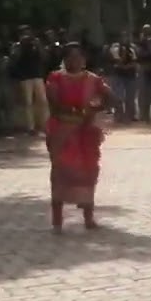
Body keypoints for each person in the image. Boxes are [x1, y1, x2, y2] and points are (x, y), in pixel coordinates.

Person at [46, 42, 114, 232]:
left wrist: (95, 108)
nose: (75, 61)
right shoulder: (55, 78)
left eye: (79, 57)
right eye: (70, 57)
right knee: (60, 173)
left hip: (86, 134)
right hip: (63, 133)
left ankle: (88, 218)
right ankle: (57, 221)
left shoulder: (94, 79)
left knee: (89, 172)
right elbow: (55, 104)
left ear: (84, 59)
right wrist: (78, 111)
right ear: (64, 59)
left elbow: (110, 97)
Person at [9, 28, 49, 135]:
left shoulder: (35, 44)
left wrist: (39, 45)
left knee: (42, 101)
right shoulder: (17, 46)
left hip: (37, 75)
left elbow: (44, 57)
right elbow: (13, 58)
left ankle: (45, 125)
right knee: (28, 102)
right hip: (24, 76)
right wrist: (20, 46)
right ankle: (30, 127)